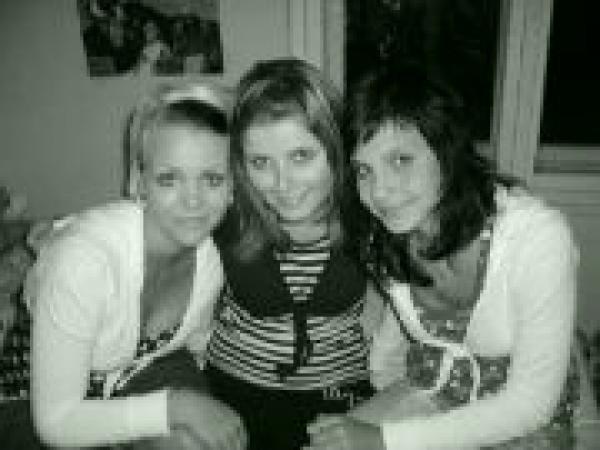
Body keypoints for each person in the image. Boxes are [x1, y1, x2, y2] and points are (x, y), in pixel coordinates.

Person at [306, 65, 579, 449]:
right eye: (364, 170)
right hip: (440, 383)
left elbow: (531, 404)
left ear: (447, 151)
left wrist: (386, 439)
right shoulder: (380, 232)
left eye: (400, 160)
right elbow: (396, 322)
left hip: (523, 418)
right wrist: (380, 393)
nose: (379, 192)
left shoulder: (536, 238)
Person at [25, 82, 245, 449]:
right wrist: (176, 406)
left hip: (139, 367)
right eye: (169, 179)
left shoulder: (210, 262)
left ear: (233, 187)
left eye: (212, 178)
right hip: (36, 392)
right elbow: (56, 422)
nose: (193, 201)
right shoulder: (85, 263)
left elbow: (199, 343)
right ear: (139, 181)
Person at [204, 57, 377, 450]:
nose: (282, 183)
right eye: (260, 162)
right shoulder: (226, 215)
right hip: (232, 396)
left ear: (335, 149)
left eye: (301, 156)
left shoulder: (371, 216)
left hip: (338, 397)